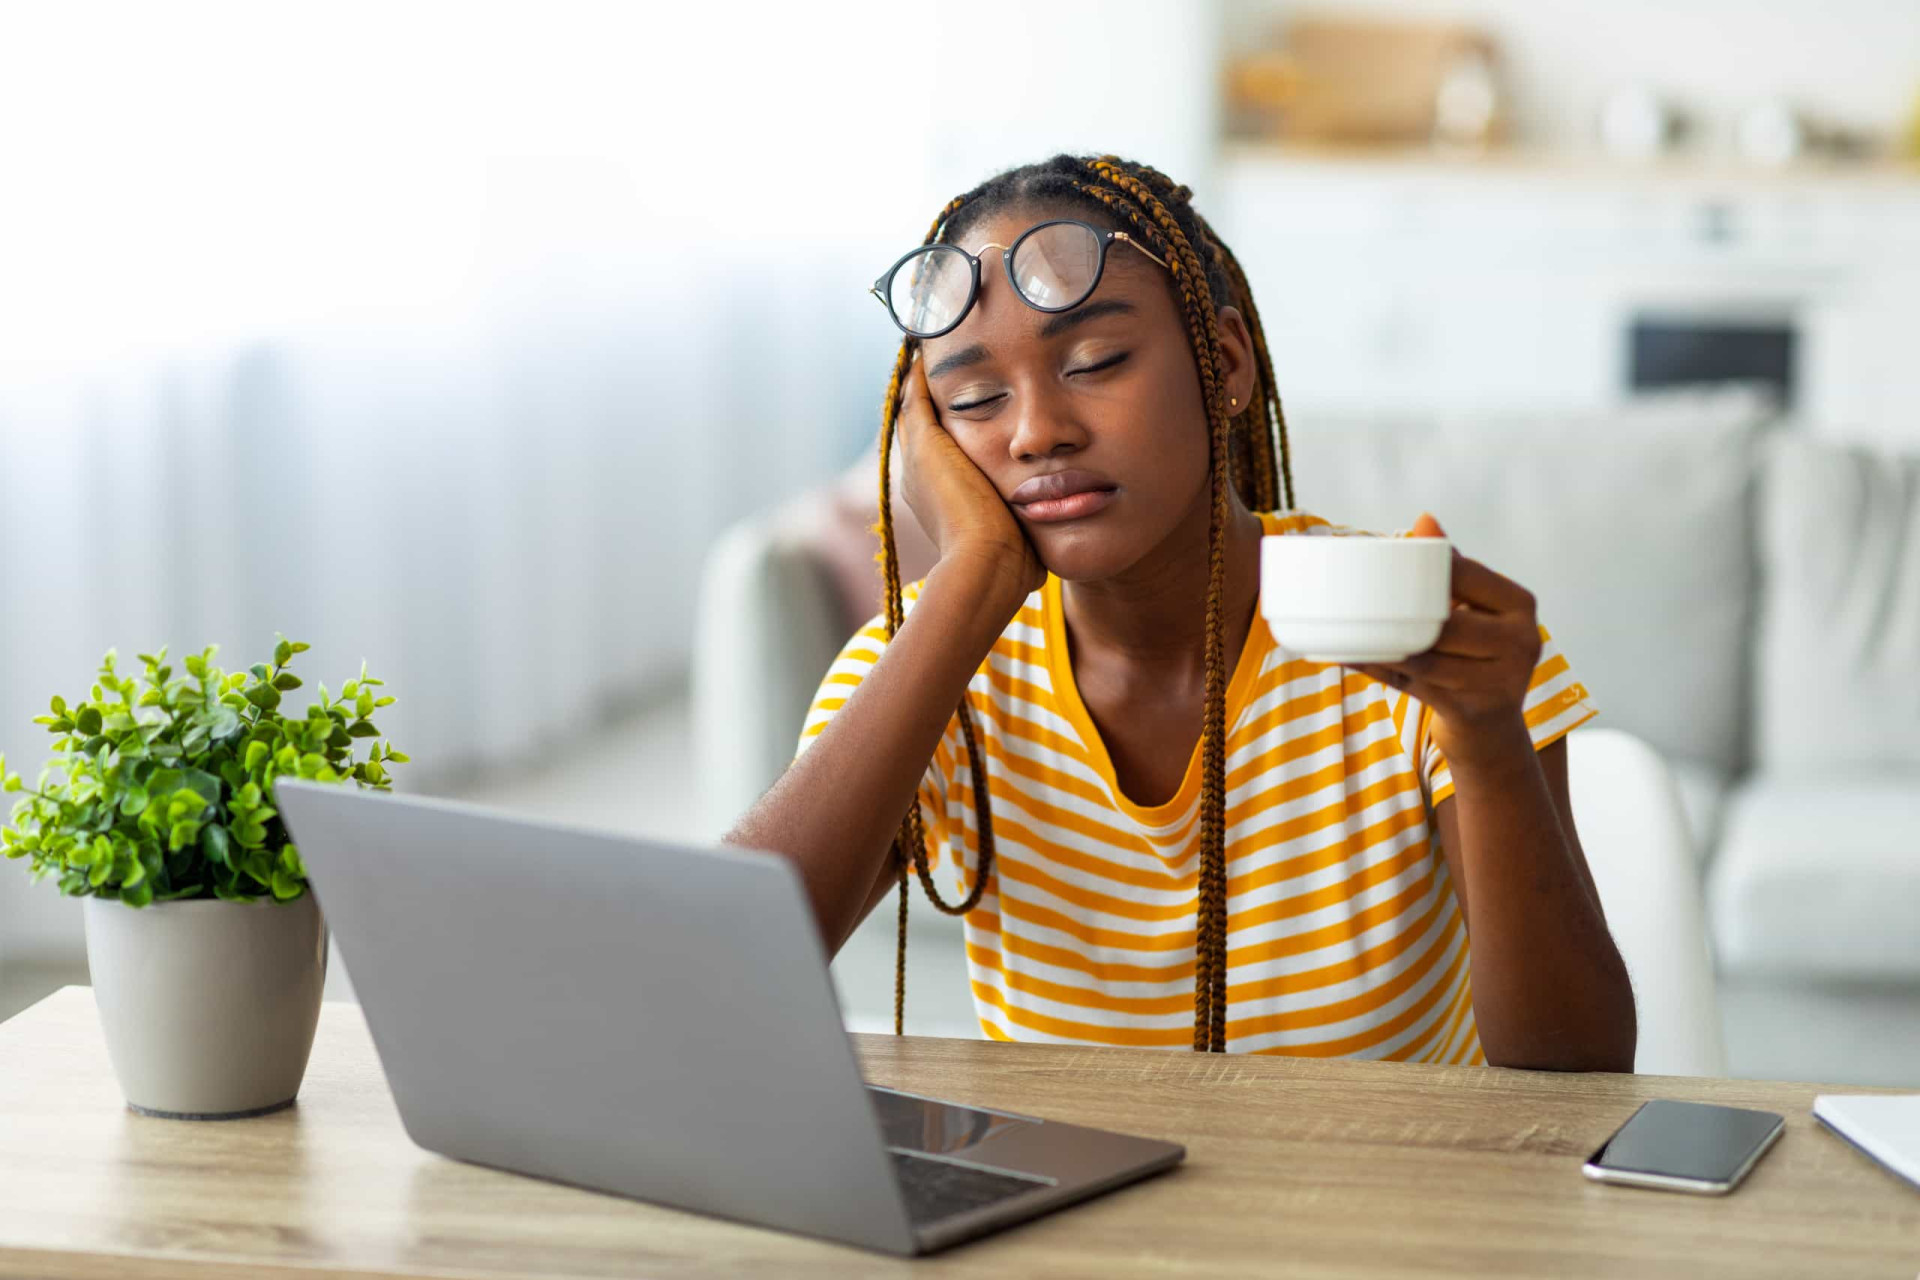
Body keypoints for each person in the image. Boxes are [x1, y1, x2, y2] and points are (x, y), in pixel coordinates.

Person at [726, 153, 1635, 1069]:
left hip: (1378, 1207)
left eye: (1096, 362)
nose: (1037, 431)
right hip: (1068, 1209)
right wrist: (971, 582)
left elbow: (1580, 1075)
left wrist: (1484, 736)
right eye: (976, 399)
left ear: (1224, 362)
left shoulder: (1417, 634)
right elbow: (720, 985)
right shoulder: (923, 659)